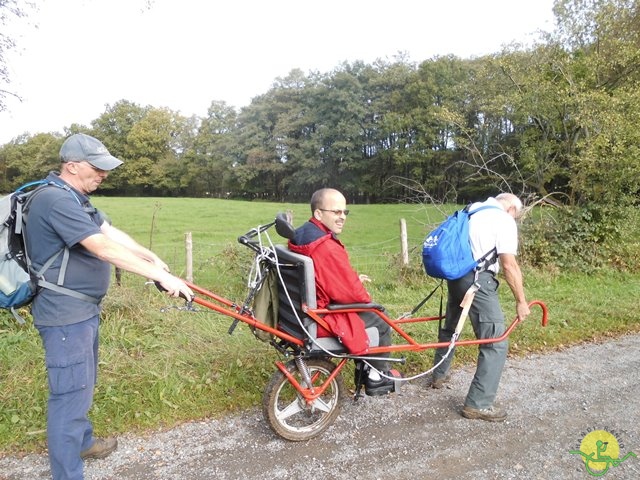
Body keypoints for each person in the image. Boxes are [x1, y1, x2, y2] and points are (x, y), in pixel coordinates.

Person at [24, 133, 194, 480]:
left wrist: (150, 257)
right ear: (71, 166)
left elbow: (108, 231)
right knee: (69, 395)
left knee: (82, 384)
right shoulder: (55, 200)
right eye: (97, 167)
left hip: (82, 310)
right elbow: (102, 248)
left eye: (106, 168)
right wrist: (165, 279)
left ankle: (82, 442)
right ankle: (68, 473)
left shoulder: (74, 196)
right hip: (64, 315)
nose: (104, 174)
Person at [430, 192, 530, 422]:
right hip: (477, 282)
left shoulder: (471, 209)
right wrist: (521, 301)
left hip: (456, 275)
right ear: (512, 209)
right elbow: (509, 265)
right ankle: (479, 404)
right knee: (495, 341)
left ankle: (439, 375)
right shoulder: (503, 220)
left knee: (452, 328)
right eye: (517, 216)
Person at [288, 188, 398, 396]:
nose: (342, 218)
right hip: (321, 317)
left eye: (344, 212)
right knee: (380, 320)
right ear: (318, 214)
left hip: (297, 312)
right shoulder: (326, 246)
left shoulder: (301, 234)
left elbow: (326, 277)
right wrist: (364, 295)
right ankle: (377, 376)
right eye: (336, 212)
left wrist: (352, 280)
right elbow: (352, 295)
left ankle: (366, 368)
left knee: (371, 313)